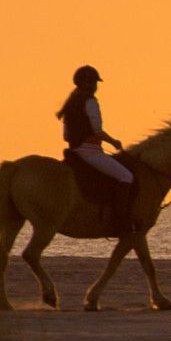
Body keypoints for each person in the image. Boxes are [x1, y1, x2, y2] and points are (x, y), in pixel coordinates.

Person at [56, 65, 136, 232]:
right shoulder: (90, 102)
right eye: (95, 83)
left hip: (74, 152)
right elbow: (98, 131)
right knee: (126, 176)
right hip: (90, 152)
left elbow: (66, 136)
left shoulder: (70, 104)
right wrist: (114, 142)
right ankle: (121, 220)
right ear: (90, 84)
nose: (97, 87)